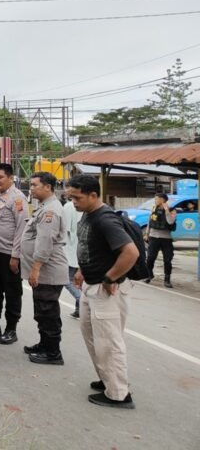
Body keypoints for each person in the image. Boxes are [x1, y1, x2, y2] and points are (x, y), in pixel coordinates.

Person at [66, 174, 139, 409]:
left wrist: (110, 277)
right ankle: (108, 379)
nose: (73, 203)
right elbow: (91, 246)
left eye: (77, 198)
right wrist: (81, 269)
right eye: (70, 198)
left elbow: (131, 253)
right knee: (92, 336)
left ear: (93, 195)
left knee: (108, 342)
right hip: (91, 284)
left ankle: (119, 394)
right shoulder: (88, 215)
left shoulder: (105, 219)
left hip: (106, 290)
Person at [20, 172, 69, 365]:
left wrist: (35, 269)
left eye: (34, 185)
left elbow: (45, 242)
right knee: (42, 311)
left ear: (48, 187)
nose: (31, 188)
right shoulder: (44, 207)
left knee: (48, 312)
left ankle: (53, 352)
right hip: (43, 270)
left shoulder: (51, 211)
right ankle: (44, 344)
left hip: (48, 270)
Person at [0, 163, 28, 345]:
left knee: (12, 293)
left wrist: (15, 256)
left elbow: (21, 228)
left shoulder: (17, 198)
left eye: (0, 177)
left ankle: (11, 329)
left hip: (8, 254)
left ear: (11, 178)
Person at [144, 192, 176, 288]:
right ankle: (149, 275)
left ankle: (167, 279)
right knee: (150, 258)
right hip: (153, 237)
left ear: (162, 200)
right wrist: (147, 234)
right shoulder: (154, 208)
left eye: (157, 199)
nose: (155, 200)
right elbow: (149, 221)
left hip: (166, 238)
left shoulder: (172, 210)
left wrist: (166, 210)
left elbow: (170, 221)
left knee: (168, 259)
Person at [61, 192, 82, 318]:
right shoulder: (85, 206)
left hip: (71, 248)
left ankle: (81, 299)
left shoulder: (68, 207)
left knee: (66, 279)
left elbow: (65, 230)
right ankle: (79, 309)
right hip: (80, 249)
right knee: (79, 280)